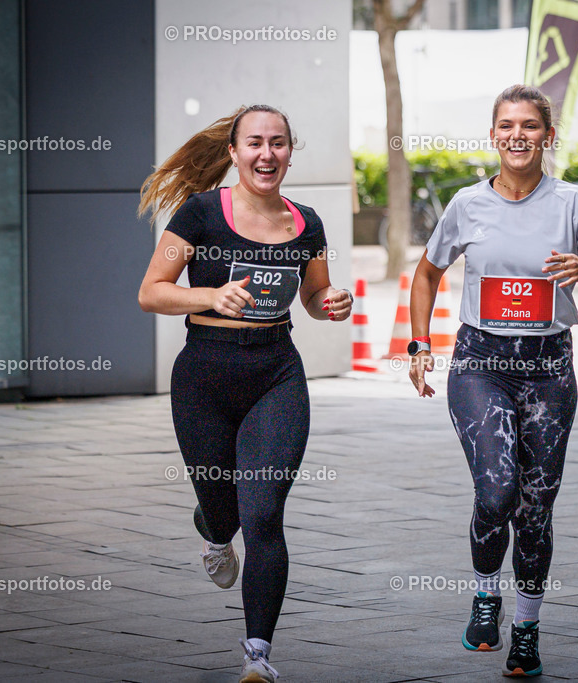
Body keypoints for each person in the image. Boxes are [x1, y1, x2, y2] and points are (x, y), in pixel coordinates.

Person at [408, 85, 578, 678]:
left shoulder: (575, 204)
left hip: (548, 369)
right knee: (496, 491)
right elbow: (427, 273)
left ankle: (528, 630)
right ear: (493, 135)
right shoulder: (466, 204)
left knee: (536, 508)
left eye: (530, 126)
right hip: (481, 363)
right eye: (507, 125)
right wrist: (418, 343)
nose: (518, 135)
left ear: (548, 137)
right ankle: (488, 593)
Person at [137, 104, 352, 683]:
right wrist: (210, 297)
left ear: (289, 150)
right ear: (233, 153)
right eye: (254, 143)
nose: (267, 154)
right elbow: (152, 292)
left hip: (275, 375)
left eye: (278, 143)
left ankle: (257, 655)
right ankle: (211, 530)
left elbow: (315, 296)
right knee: (224, 510)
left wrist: (332, 305)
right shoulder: (202, 213)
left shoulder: (306, 223)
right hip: (204, 377)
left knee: (263, 517)